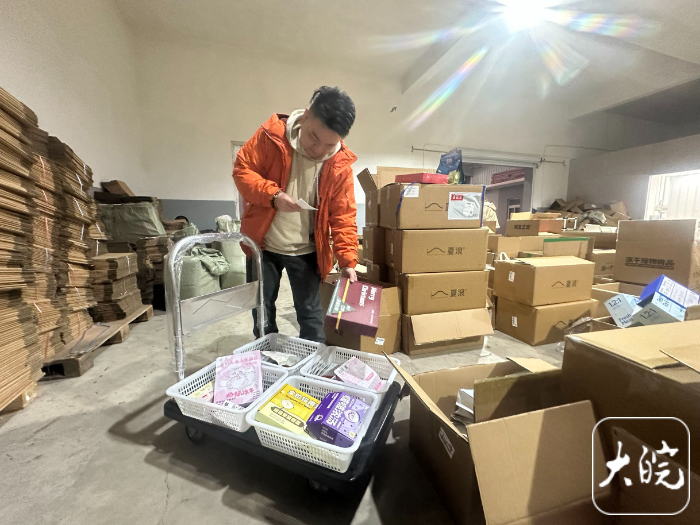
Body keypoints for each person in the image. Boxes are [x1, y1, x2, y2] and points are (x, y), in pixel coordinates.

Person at [233, 86, 358, 343]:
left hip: (307, 249)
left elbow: (343, 215)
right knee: (262, 311)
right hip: (263, 244)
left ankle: (311, 363)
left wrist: (347, 261)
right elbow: (242, 171)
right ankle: (267, 357)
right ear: (306, 115)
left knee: (311, 315)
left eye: (329, 144)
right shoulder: (271, 136)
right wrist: (273, 196)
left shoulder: (340, 164)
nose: (319, 149)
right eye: (314, 137)